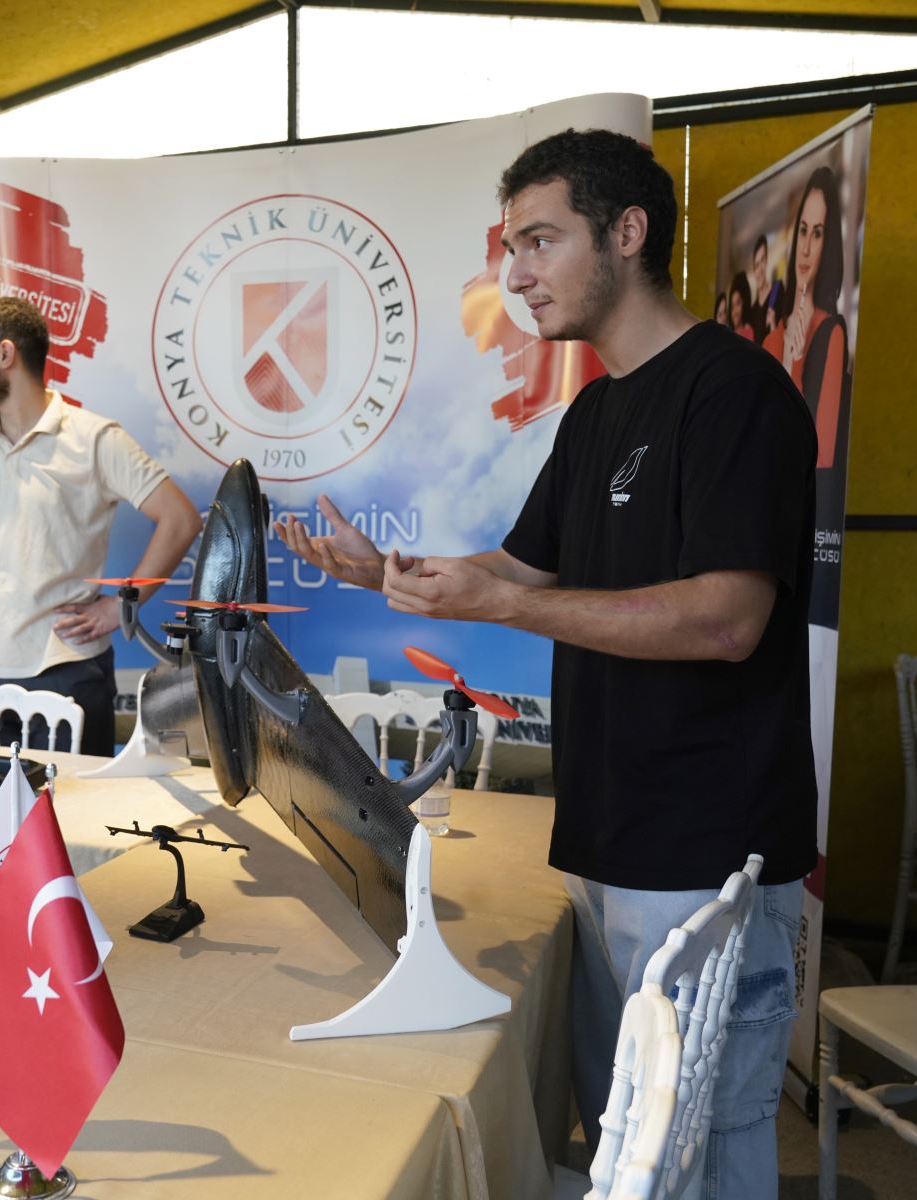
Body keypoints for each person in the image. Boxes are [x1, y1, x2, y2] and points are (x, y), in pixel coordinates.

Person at [277, 129, 816, 1200]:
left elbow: (725, 621)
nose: (514, 275)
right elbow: (521, 567)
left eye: (538, 241)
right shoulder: (597, 410)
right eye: (508, 248)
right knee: (623, 1155)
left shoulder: (734, 393)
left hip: (708, 862)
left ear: (627, 232)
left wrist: (507, 604)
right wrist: (385, 574)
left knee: (701, 1161)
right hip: (606, 841)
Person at [0, 297, 203, 756]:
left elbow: (180, 519)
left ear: (5, 354)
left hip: (68, 671)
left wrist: (120, 606)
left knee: (72, 803)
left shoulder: (95, 438)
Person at [763, 166, 848, 470]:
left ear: (828, 244)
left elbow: (821, 457)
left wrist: (796, 368)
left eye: (818, 233)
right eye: (803, 230)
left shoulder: (831, 333)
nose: (807, 248)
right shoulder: (771, 340)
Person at [749, 233, 780, 340]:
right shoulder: (752, 311)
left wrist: (773, 325)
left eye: (762, 260)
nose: (760, 269)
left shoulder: (777, 290)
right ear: (754, 270)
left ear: (766, 260)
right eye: (757, 265)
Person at [728, 271, 756, 341]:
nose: (735, 311)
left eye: (738, 303)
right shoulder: (728, 332)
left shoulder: (748, 331)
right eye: (732, 305)